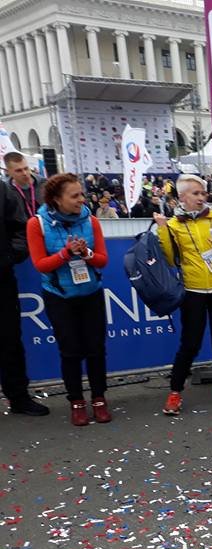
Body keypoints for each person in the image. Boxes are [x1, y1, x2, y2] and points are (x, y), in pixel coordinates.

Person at [154, 174, 212, 416]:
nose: (201, 197)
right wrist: (162, 230)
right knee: (190, 343)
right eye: (196, 193)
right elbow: (170, 259)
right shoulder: (173, 225)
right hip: (192, 290)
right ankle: (175, 392)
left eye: (203, 193)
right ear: (182, 197)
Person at [27, 173, 110, 426]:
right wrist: (65, 253)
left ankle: (99, 398)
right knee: (70, 351)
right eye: (74, 196)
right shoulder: (37, 224)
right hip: (59, 297)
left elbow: (102, 260)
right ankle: (76, 401)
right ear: (56, 199)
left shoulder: (91, 220)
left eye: (81, 194)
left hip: (91, 293)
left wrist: (86, 253)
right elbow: (40, 264)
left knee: (96, 349)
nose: (81, 200)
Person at [1, 182, 48, 417]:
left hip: (2, 277)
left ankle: (18, 397)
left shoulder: (2, 191)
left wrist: (10, 256)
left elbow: (20, 228)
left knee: (9, 340)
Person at [3, 151, 44, 219]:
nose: (24, 173)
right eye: (19, 171)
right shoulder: (6, 191)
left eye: (26, 168)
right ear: (8, 172)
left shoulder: (44, 184)